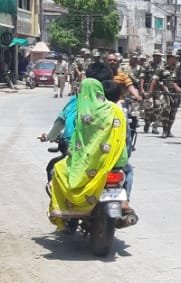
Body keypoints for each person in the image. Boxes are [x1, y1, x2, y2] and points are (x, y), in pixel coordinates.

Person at [45, 78, 128, 229]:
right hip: (115, 159)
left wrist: (72, 152)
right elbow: (122, 136)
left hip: (87, 162)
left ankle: (65, 208)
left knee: (59, 171)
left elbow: (78, 141)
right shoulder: (115, 109)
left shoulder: (83, 110)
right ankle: (124, 204)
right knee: (127, 173)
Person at [159, 51, 181, 138]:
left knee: (173, 112)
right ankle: (164, 130)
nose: (175, 59)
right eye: (174, 57)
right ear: (169, 58)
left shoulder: (179, 68)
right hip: (165, 93)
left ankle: (169, 129)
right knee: (165, 111)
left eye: (176, 58)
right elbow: (158, 80)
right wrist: (164, 88)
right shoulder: (162, 68)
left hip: (176, 93)